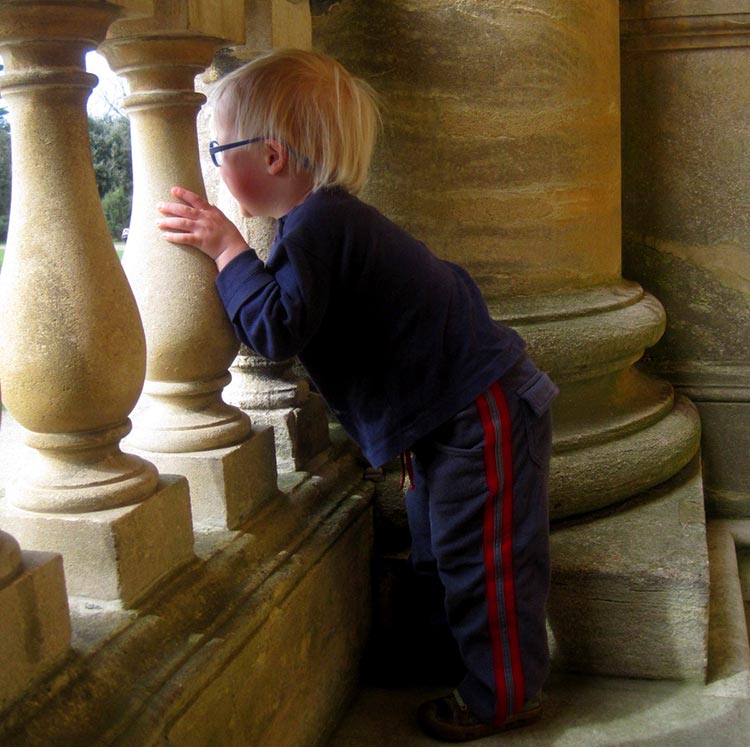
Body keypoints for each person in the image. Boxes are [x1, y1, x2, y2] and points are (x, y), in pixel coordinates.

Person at [157, 48, 557, 743]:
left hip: (478, 408)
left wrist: (227, 250)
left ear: (273, 156)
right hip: (451, 411)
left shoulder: (322, 226)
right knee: (439, 549)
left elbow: (275, 327)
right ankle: (449, 656)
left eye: (217, 148)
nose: (214, 166)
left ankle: (505, 695)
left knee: (483, 558)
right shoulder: (319, 223)